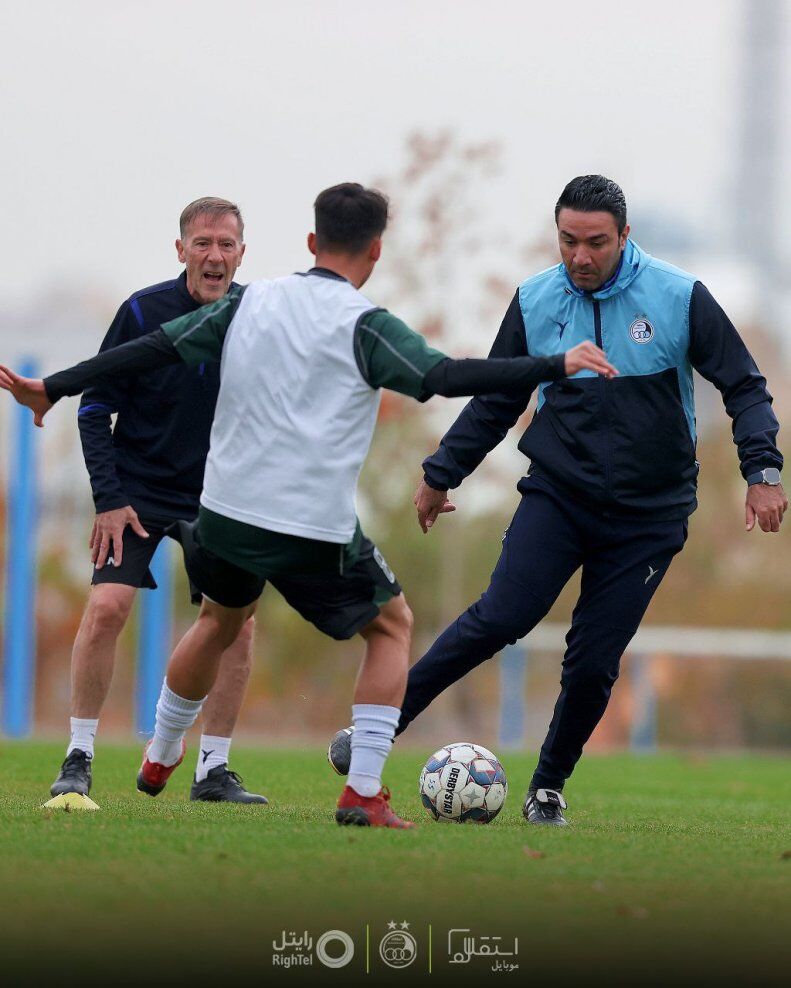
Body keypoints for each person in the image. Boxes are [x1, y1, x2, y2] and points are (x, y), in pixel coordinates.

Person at [0, 182, 615, 828]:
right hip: (308, 526)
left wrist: (55, 388)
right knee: (390, 625)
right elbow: (443, 378)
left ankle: (159, 754)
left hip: (223, 517)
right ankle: (363, 793)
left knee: (216, 621)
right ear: (375, 250)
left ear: (312, 242)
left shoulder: (248, 303)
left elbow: (152, 348)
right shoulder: (366, 326)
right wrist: (552, 364)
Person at [327, 174, 786, 826]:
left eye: (595, 242)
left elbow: (742, 385)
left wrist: (761, 470)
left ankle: (546, 789)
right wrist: (439, 475)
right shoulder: (536, 300)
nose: (579, 256)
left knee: (593, 660)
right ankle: (377, 734)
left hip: (648, 518)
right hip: (558, 497)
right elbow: (496, 401)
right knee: (498, 617)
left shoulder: (678, 297)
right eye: (567, 241)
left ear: (624, 237)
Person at [47, 197, 267, 804]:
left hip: (219, 497)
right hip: (137, 490)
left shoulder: (256, 316)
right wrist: (109, 498)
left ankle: (212, 770)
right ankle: (79, 756)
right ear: (181, 251)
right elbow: (94, 406)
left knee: (237, 628)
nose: (214, 255)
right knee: (108, 607)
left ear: (242, 253)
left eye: (226, 244)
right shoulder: (142, 311)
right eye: (202, 243)